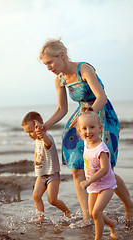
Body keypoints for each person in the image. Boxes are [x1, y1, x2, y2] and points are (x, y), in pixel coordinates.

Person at [38, 38, 133, 222]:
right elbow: (62, 109)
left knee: (106, 168)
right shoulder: (59, 80)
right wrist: (46, 125)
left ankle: (129, 206)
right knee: (77, 169)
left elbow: (101, 97)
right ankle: (87, 216)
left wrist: (88, 115)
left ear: (62, 55)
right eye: (45, 64)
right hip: (80, 119)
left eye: (50, 62)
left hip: (101, 116)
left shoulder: (84, 69)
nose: (49, 67)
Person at [77, 105, 118, 240]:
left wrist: (88, 181)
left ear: (100, 128)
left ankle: (98, 238)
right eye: (84, 128)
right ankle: (111, 224)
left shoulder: (101, 149)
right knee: (93, 213)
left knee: (96, 211)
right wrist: (80, 118)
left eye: (92, 127)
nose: (88, 131)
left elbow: (105, 169)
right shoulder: (86, 143)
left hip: (106, 185)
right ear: (80, 131)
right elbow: (81, 128)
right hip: (93, 187)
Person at [22, 111, 71, 222]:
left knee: (52, 200)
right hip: (42, 174)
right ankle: (41, 218)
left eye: (31, 131)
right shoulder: (37, 140)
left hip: (52, 174)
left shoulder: (46, 136)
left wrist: (42, 133)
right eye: (27, 133)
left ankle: (67, 211)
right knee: (36, 196)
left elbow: (48, 144)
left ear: (38, 126)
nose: (29, 135)